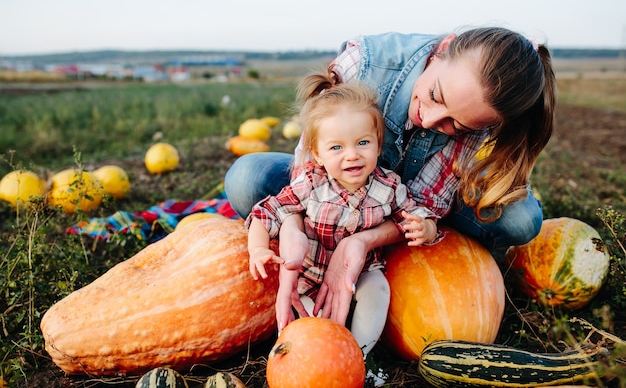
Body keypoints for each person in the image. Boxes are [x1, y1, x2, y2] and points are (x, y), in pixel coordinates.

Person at [226, 27, 556, 326]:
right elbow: (309, 174)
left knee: (520, 220)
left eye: (457, 125)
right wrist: (294, 228)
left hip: (401, 202)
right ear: (444, 48)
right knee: (246, 179)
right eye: (436, 96)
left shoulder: (483, 117)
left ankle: (428, 244)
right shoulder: (366, 62)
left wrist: (365, 239)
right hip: (331, 192)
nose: (431, 120)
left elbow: (425, 202)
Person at [246, 75, 440, 357]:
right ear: (318, 154)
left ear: (378, 144)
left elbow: (416, 213)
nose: (352, 155)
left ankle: (358, 354)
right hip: (309, 276)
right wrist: (258, 249)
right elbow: (267, 212)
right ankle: (327, 357)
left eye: (362, 143)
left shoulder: (389, 187)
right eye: (337, 147)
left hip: (362, 272)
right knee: (313, 321)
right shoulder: (311, 184)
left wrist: (426, 227)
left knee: (378, 294)